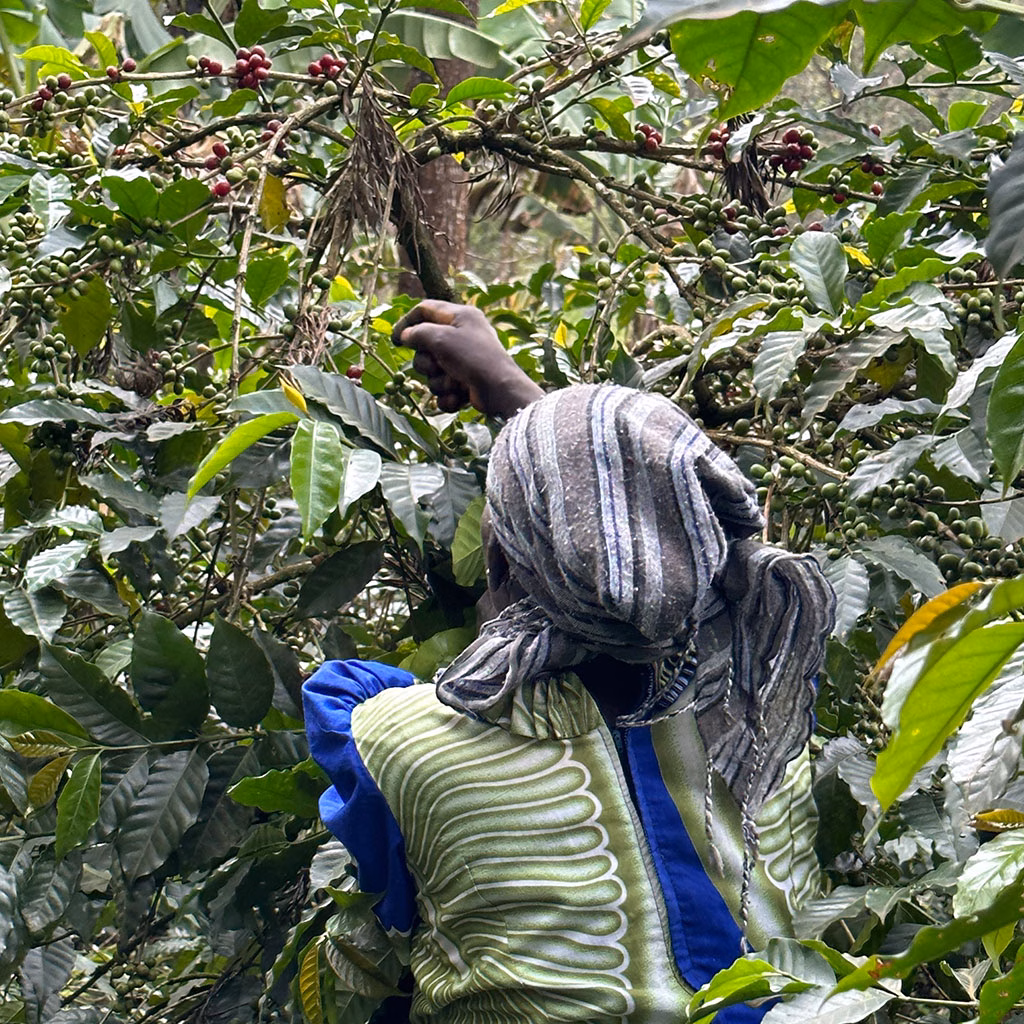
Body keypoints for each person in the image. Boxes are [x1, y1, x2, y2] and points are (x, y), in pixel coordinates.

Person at [303, 301, 835, 1023]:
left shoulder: (401, 744)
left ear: (503, 562)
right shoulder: (770, 727)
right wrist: (527, 401)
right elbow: (683, 535)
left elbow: (350, 697)